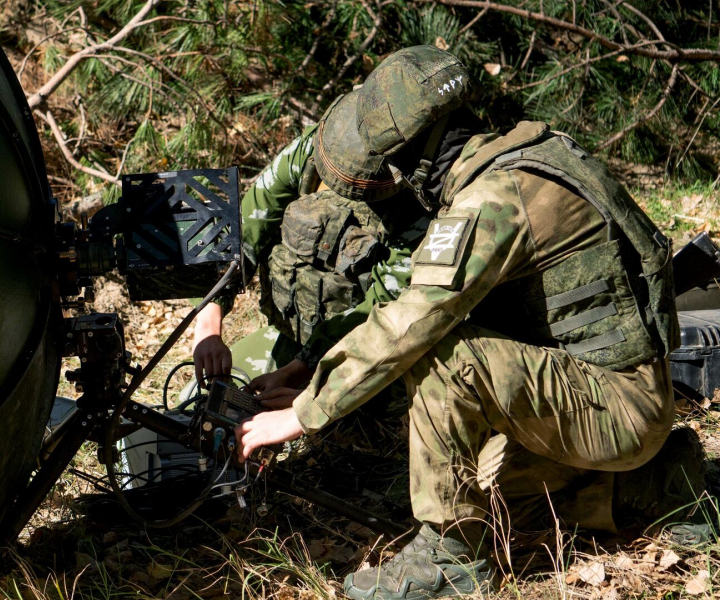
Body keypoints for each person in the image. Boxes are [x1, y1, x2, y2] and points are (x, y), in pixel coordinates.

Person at [234, 46, 707, 599]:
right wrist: (311, 369)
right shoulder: (532, 153)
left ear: (415, 165)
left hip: (616, 407)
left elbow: (413, 320)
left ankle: (450, 557)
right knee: (495, 501)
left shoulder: (493, 199)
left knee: (442, 355)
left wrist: (304, 413)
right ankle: (656, 483)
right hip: (615, 397)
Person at [192, 87, 436, 396]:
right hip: (295, 339)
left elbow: (385, 306)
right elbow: (244, 230)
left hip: (373, 359)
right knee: (199, 399)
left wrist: (299, 372)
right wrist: (209, 324)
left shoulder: (419, 196)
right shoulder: (311, 151)